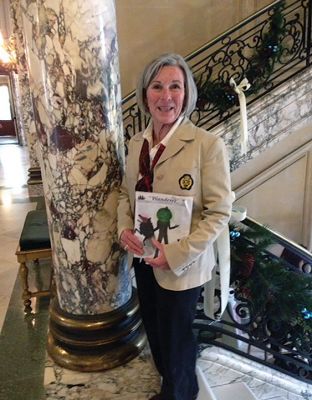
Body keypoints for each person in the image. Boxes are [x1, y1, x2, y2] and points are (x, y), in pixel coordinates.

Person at [117, 53, 232, 400]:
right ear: (145, 93)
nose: (166, 96)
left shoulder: (206, 145)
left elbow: (219, 212)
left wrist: (176, 253)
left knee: (176, 337)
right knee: (154, 330)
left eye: (175, 86)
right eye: (157, 86)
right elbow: (126, 196)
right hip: (143, 258)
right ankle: (177, 386)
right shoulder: (137, 143)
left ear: (186, 94)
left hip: (182, 265)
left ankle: (178, 394)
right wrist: (123, 228)